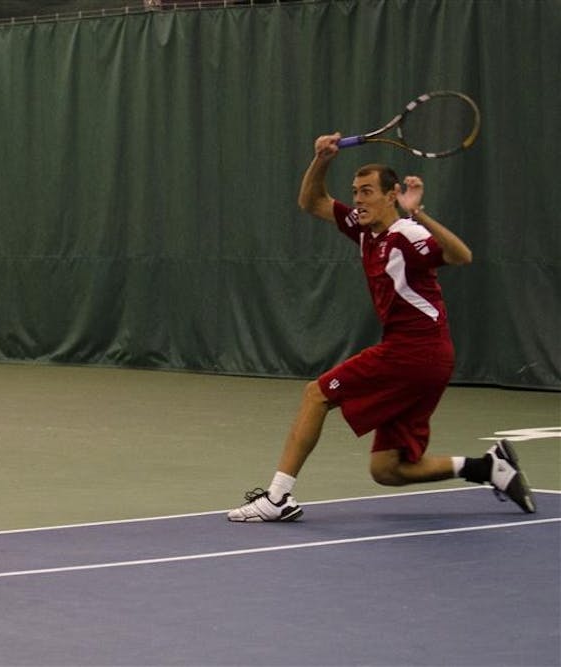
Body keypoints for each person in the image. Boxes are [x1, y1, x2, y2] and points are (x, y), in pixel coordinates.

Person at [226, 132, 536, 521]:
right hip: (426, 359)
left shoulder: (408, 233)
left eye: (368, 192)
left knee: (316, 394)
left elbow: (462, 256)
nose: (358, 200)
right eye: (356, 192)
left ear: (392, 196)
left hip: (415, 351)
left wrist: (417, 213)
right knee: (387, 469)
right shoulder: (362, 228)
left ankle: (277, 498)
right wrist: (322, 159)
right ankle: (487, 467)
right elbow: (311, 202)